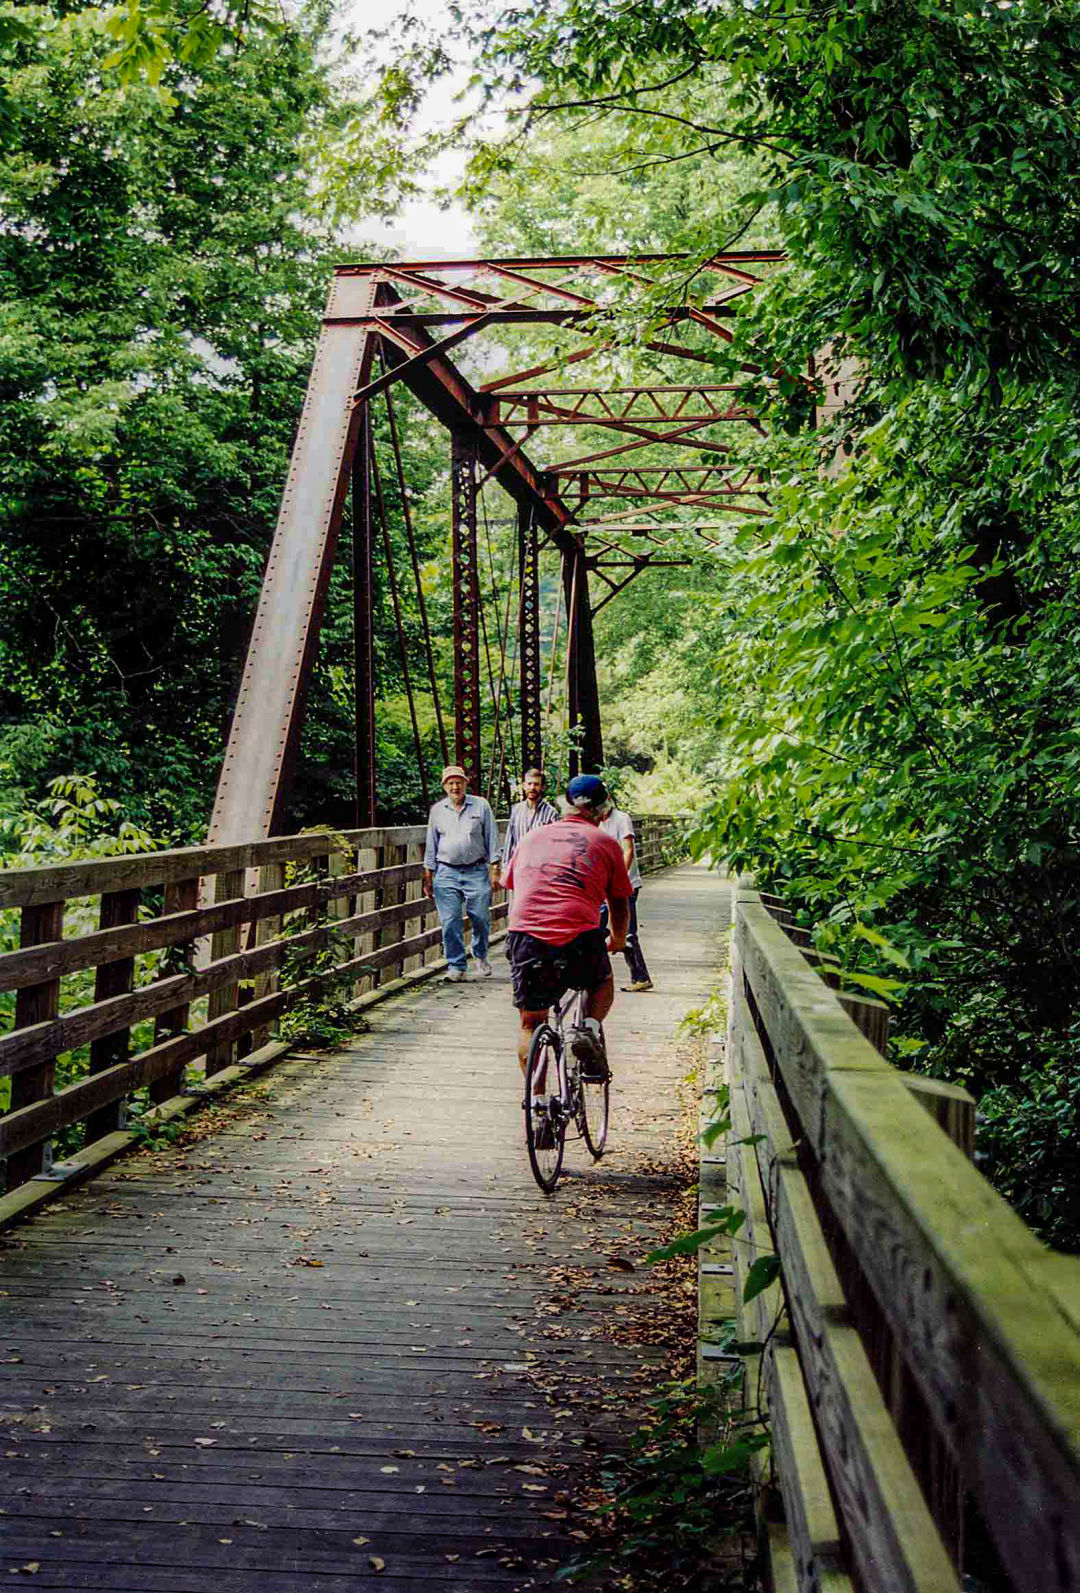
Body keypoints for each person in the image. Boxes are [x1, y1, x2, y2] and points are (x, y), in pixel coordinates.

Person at [504, 773, 632, 1083]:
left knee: (530, 1025)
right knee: (601, 981)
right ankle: (588, 1029)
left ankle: (537, 1109)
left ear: (565, 806)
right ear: (603, 811)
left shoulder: (532, 837)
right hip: (578, 937)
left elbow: (508, 883)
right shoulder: (606, 843)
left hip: (526, 937)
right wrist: (616, 939)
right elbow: (619, 903)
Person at [423, 765, 500, 983]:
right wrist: (428, 873)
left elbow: (492, 837)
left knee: (480, 917)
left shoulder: (481, 806)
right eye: (450, 783)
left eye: (459, 782)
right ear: (444, 786)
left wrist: (495, 868)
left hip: (476, 870)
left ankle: (481, 953)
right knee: (450, 921)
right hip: (446, 871)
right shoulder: (437, 811)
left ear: (466, 784)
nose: (455, 786)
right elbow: (431, 843)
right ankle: (456, 965)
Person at [600, 802, 653, 992]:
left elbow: (628, 850)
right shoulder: (596, 821)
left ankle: (641, 977)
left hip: (625, 885)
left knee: (628, 933)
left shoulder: (621, 818)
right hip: (602, 887)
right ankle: (595, 976)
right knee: (595, 929)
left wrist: (617, 880)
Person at [498, 767, 559, 881]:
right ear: (524, 785)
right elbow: (509, 840)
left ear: (542, 787)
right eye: (529, 784)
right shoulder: (516, 810)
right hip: (518, 868)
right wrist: (505, 868)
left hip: (541, 871)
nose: (532, 788)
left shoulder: (551, 814)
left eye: (536, 784)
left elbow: (554, 848)